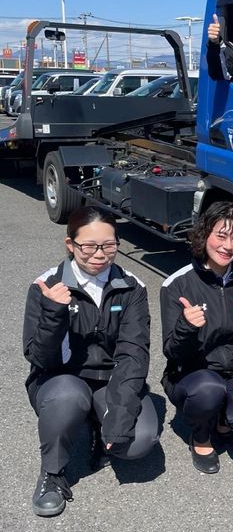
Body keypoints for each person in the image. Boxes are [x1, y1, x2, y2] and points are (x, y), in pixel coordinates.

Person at [23, 206, 157, 517]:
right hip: (60, 379)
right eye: (89, 246)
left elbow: (134, 354)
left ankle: (99, 426)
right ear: (70, 244)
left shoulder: (132, 286)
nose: (99, 254)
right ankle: (52, 474)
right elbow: (40, 358)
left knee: (138, 441)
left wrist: (118, 420)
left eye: (109, 245)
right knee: (68, 397)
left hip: (111, 379)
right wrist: (54, 313)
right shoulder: (46, 285)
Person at [161, 202, 233, 474]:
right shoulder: (177, 284)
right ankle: (200, 436)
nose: (228, 246)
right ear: (204, 235)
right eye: (221, 236)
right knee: (208, 390)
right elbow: (172, 352)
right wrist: (186, 326)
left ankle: (224, 417)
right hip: (194, 376)